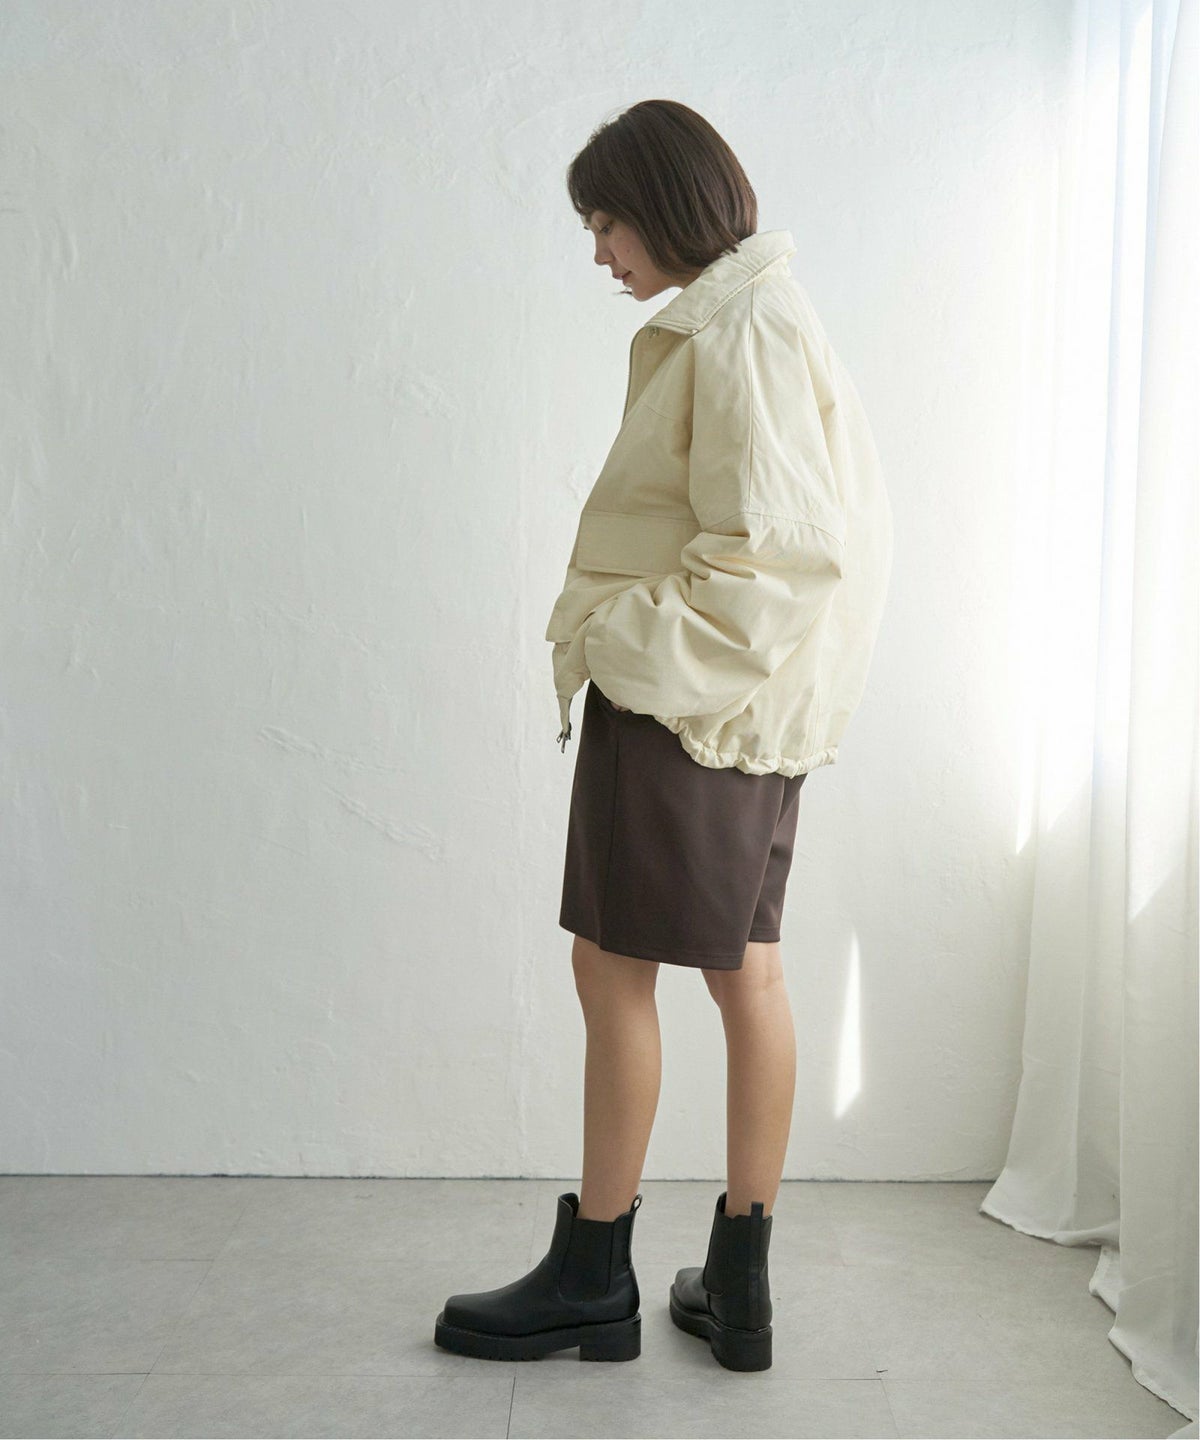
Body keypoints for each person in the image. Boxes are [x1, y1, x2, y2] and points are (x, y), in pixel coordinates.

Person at [435, 99, 893, 1373]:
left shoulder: (743, 326)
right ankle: (736, 1290)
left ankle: (594, 1274)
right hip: (745, 708)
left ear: (663, 203)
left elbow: (781, 554)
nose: (598, 251)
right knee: (749, 972)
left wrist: (624, 643)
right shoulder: (755, 314)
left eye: (606, 221)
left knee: (613, 968)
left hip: (691, 702)